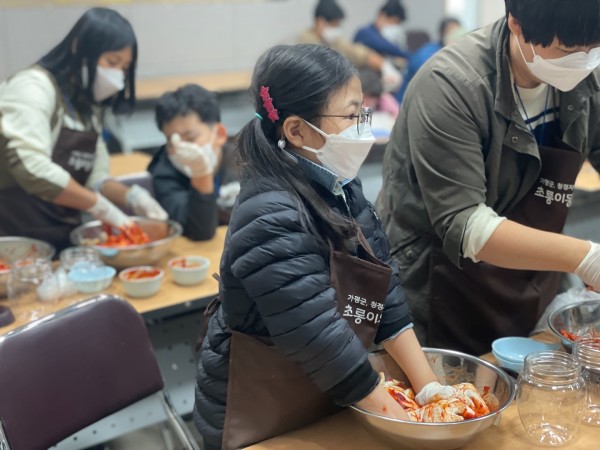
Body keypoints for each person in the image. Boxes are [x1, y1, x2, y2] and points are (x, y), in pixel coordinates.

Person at [193, 44, 442, 450]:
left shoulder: (339, 186)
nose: (364, 124)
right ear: (296, 131)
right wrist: (402, 421)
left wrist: (429, 387)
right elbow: (316, 334)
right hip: (261, 414)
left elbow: (383, 288)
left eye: (364, 110)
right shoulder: (268, 213)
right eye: (351, 114)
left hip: (329, 388)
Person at [376, 0, 600, 356]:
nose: (584, 62)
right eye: (568, 51)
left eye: (595, 50)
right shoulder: (451, 85)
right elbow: (465, 223)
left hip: (531, 275)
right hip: (445, 280)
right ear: (516, 23)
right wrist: (586, 257)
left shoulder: (587, 73)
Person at [0, 7, 166, 252]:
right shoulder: (33, 88)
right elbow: (31, 168)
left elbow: (95, 178)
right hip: (15, 237)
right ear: (78, 48)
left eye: (123, 67)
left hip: (63, 235)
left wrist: (133, 197)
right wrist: (100, 207)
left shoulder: (88, 108)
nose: (118, 75)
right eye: (111, 62)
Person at [148, 84, 239, 241]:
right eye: (172, 141)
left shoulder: (245, 159)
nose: (181, 148)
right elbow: (201, 231)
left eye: (190, 138)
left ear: (219, 134)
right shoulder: (164, 173)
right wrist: (200, 173)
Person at [298, 0, 402, 92]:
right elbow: (324, 70)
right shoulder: (306, 41)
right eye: (335, 24)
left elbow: (358, 53)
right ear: (320, 22)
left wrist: (385, 67)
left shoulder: (335, 41)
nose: (337, 28)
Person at [396, 17, 463, 103]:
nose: (456, 35)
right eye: (452, 31)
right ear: (442, 33)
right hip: (408, 104)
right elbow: (433, 77)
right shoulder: (427, 53)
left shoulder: (454, 53)